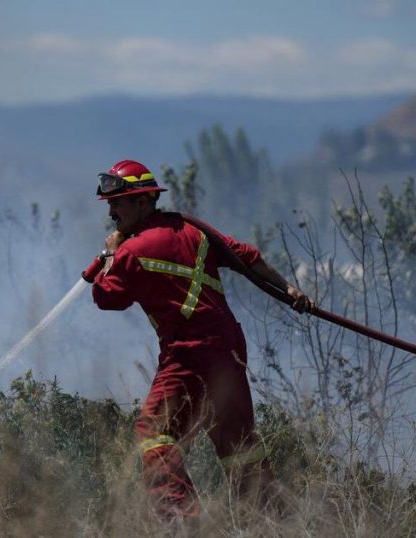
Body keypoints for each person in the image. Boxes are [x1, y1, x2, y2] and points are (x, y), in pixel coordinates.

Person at [81, 159, 312, 519]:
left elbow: (106, 297)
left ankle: (184, 521)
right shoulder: (194, 232)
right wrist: (289, 288)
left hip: (187, 354)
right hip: (229, 348)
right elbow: (248, 257)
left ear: (143, 202)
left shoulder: (129, 251)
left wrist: (111, 251)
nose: (111, 212)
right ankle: (272, 522)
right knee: (236, 442)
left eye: (118, 203)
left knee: (154, 435)